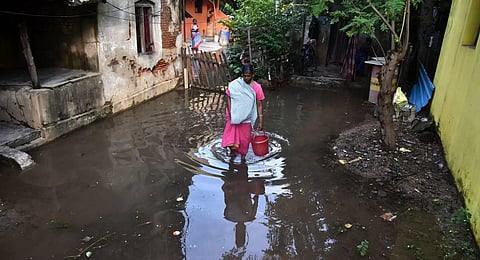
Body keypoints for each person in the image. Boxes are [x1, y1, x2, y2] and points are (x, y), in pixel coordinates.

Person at [221, 63, 265, 161]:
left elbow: (259, 105)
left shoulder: (257, 88)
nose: (246, 78)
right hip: (234, 115)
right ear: (242, 75)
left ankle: (243, 158)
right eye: (244, 76)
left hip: (247, 118)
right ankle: (232, 154)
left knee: (244, 140)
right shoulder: (236, 85)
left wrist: (261, 121)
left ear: (252, 75)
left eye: (248, 76)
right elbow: (228, 97)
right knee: (231, 137)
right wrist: (232, 113)